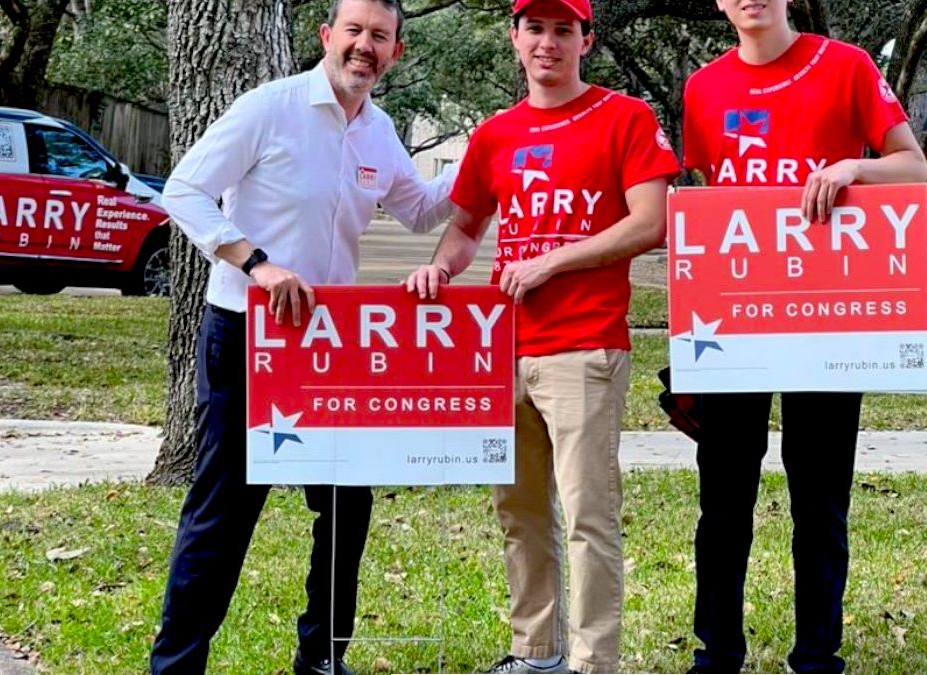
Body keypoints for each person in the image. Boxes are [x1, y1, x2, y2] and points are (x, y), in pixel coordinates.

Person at [148, 0, 456, 672]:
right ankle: (176, 665)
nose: (364, 47)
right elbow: (184, 189)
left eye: (379, 37)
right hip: (245, 333)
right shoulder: (271, 106)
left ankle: (320, 657)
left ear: (395, 52)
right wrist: (256, 263)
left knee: (348, 505)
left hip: (328, 345)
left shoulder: (379, 131)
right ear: (327, 36)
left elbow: (420, 209)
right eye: (353, 31)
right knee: (224, 510)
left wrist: (492, 152)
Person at [405, 0, 680, 671]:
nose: (548, 44)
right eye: (536, 29)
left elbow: (652, 222)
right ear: (515, 37)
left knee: (588, 517)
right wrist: (439, 267)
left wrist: (552, 260)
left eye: (564, 30)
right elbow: (467, 226)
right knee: (520, 512)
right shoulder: (496, 134)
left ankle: (593, 662)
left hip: (586, 346)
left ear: (586, 39)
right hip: (506, 347)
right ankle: (535, 653)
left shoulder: (625, 117)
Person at [681, 1, 927, 673]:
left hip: (827, 314)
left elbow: (915, 167)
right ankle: (717, 652)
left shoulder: (844, 66)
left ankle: (817, 654)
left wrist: (854, 170)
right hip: (732, 322)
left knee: (820, 497)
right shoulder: (703, 88)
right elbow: (711, 198)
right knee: (723, 498)